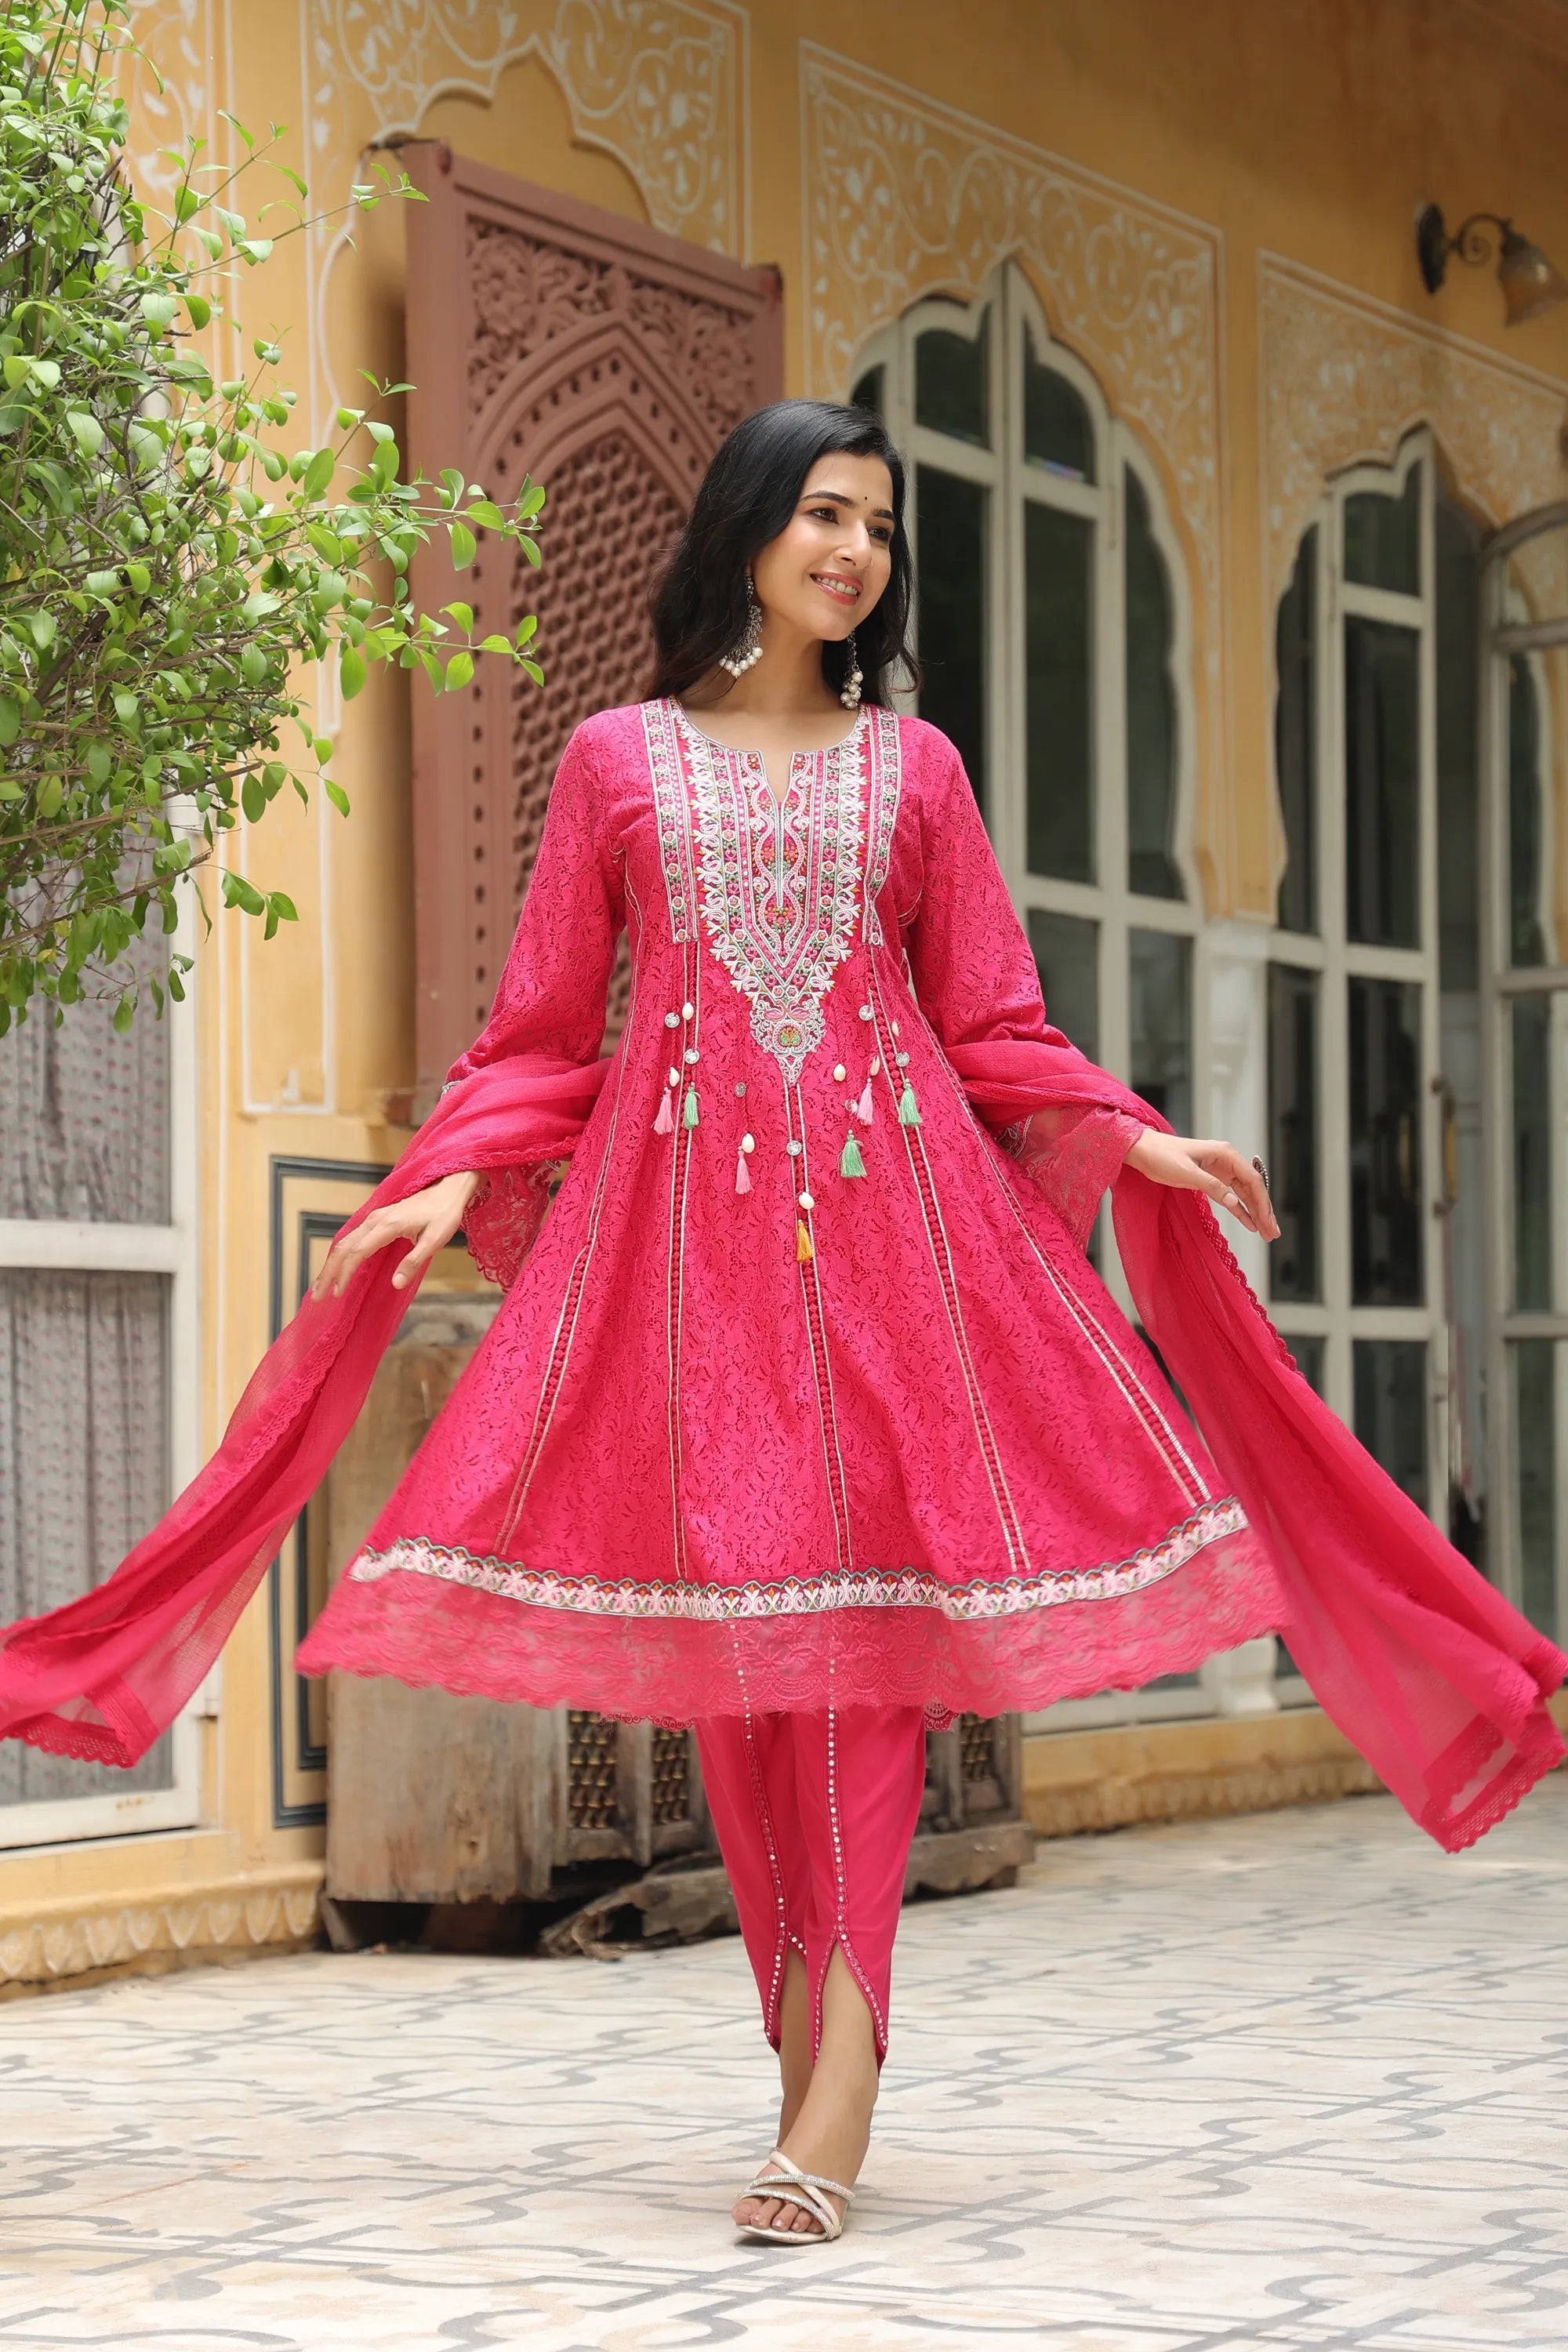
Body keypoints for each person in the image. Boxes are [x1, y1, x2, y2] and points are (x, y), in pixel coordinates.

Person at [1, 401, 1561, 2248]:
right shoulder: (615, 763)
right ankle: (805, 2041)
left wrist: (1133, 1137)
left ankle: (841, 2083)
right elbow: (540, 1028)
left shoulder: (918, 771)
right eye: (826, 513)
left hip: (898, 1258)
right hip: (685, 1275)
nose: (855, 552)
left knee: (862, 1663)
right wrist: (444, 1179)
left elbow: (989, 1017)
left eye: (881, 528)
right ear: (746, 527)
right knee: (751, 1671)